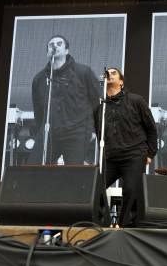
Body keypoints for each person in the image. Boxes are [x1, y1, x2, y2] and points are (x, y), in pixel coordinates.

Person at [95, 67, 157, 226]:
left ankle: (124, 227)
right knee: (95, 188)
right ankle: (101, 223)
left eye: (114, 72)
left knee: (130, 189)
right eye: (107, 73)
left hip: (134, 155)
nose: (110, 74)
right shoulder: (100, 108)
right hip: (111, 158)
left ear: (121, 82)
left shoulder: (136, 101)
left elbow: (151, 127)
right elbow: (99, 134)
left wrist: (150, 153)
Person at [31, 35, 100, 165]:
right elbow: (38, 110)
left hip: (76, 132)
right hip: (49, 132)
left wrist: (94, 130)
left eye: (59, 43)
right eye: (51, 44)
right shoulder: (39, 79)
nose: (54, 46)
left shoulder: (83, 72)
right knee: (34, 169)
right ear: (47, 52)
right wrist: (39, 133)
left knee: (72, 174)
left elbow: (97, 102)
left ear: (66, 50)